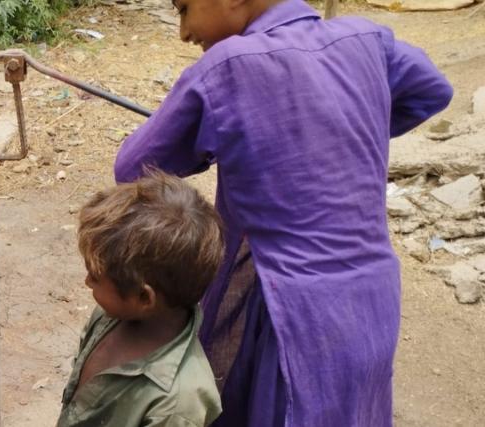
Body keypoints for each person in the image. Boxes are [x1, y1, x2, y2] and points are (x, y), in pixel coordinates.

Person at [113, 0, 453, 424]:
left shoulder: (225, 66)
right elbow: (433, 91)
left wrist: (230, 147)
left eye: (184, 9)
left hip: (291, 315)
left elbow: (132, 167)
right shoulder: (368, 39)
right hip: (373, 301)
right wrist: (335, 131)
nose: (184, 31)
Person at [57, 173, 225, 426]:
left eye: (95, 276)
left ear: (144, 297)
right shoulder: (109, 316)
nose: (87, 282)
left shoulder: (176, 404)